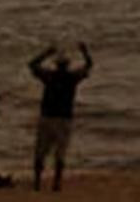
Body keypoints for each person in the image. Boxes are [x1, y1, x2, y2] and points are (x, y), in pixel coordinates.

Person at [28, 43, 92, 192]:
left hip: (47, 116)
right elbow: (89, 65)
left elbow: (32, 65)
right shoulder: (71, 78)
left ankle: (37, 183)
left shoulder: (49, 77)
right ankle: (56, 183)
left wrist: (46, 52)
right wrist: (84, 52)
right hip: (64, 118)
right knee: (60, 153)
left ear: (56, 65)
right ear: (67, 65)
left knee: (40, 152)